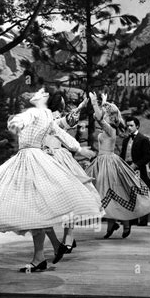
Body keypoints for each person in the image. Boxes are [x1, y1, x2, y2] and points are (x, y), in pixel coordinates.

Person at [0, 87, 102, 272]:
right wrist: (80, 149)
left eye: (39, 92)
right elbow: (61, 133)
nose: (35, 93)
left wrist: (15, 123)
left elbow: (24, 121)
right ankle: (45, 252)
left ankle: (40, 257)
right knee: (37, 209)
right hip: (36, 158)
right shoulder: (47, 115)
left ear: (44, 97)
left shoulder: (35, 112)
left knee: (31, 207)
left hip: (29, 159)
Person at [85, 93, 150, 239]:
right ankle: (112, 225)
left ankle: (125, 223)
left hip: (109, 163)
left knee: (115, 193)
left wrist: (94, 102)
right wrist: (103, 102)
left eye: (107, 115)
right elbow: (100, 118)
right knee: (105, 193)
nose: (103, 117)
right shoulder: (106, 130)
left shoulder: (111, 130)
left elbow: (99, 118)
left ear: (110, 117)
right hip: (101, 161)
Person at [42, 91, 101, 258]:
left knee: (66, 197)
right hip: (48, 159)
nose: (62, 104)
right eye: (61, 102)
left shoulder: (55, 118)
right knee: (62, 199)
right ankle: (66, 237)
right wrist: (82, 105)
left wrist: (82, 106)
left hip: (57, 158)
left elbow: (68, 121)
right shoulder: (50, 118)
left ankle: (68, 236)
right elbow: (68, 120)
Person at [120, 116, 150, 226]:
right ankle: (132, 219)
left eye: (131, 126)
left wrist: (136, 164)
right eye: (127, 126)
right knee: (129, 193)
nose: (129, 128)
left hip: (138, 170)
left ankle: (143, 220)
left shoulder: (143, 139)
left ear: (137, 126)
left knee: (141, 194)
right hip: (127, 169)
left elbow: (148, 156)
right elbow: (123, 155)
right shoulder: (126, 140)